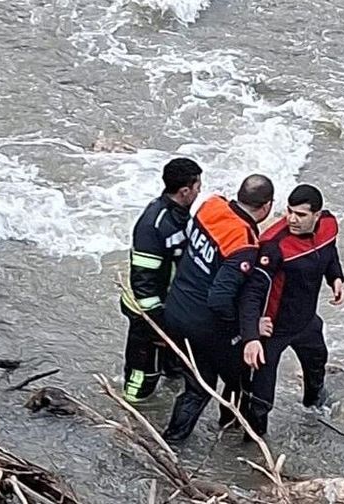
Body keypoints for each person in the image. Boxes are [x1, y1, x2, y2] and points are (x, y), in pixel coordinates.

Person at [160, 174, 274, 443]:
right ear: (267, 207)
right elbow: (220, 299)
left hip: (176, 308)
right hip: (202, 324)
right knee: (237, 375)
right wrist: (247, 329)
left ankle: (172, 442)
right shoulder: (244, 243)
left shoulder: (211, 205)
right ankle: (230, 425)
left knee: (197, 384)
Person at [237, 184, 344, 437]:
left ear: (317, 215)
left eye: (301, 215)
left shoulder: (329, 225)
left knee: (317, 365)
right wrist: (252, 334)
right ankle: (251, 445)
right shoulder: (273, 246)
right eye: (289, 212)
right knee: (261, 399)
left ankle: (314, 415)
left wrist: (336, 277)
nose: (292, 219)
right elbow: (252, 292)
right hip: (274, 329)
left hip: (306, 321)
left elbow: (330, 251)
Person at [120, 158, 202, 403]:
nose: (200, 191)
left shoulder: (181, 215)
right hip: (148, 314)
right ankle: (129, 418)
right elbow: (142, 281)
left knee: (175, 368)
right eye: (198, 186)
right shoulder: (153, 225)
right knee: (142, 377)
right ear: (185, 190)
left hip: (171, 308)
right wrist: (157, 321)